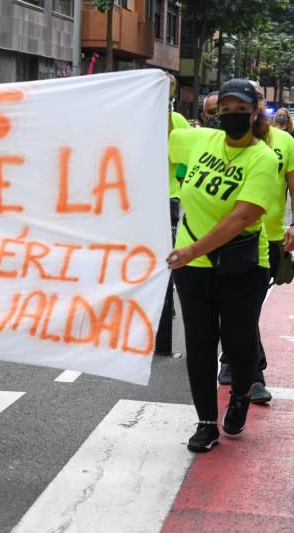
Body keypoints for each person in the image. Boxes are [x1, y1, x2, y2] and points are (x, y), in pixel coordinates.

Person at [167, 79, 277, 453]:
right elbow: (158, 130)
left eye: (240, 108)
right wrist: (156, 91)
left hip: (242, 265)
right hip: (193, 265)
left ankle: (242, 394)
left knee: (238, 341)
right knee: (199, 342)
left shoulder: (263, 158)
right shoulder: (200, 141)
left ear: (255, 111)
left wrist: (192, 249)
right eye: (225, 109)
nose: (232, 115)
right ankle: (205, 422)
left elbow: (242, 216)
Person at [216, 82, 294, 404]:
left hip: (271, 237)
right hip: (228, 237)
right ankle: (251, 371)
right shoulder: (225, 142)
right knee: (236, 308)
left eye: (251, 104)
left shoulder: (286, 143)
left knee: (245, 310)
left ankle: (234, 361)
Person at [155, 74, 189, 358]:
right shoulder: (134, 117)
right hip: (136, 199)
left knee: (165, 255)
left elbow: (181, 160)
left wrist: (165, 105)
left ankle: (165, 304)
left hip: (167, 198)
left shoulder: (176, 120)